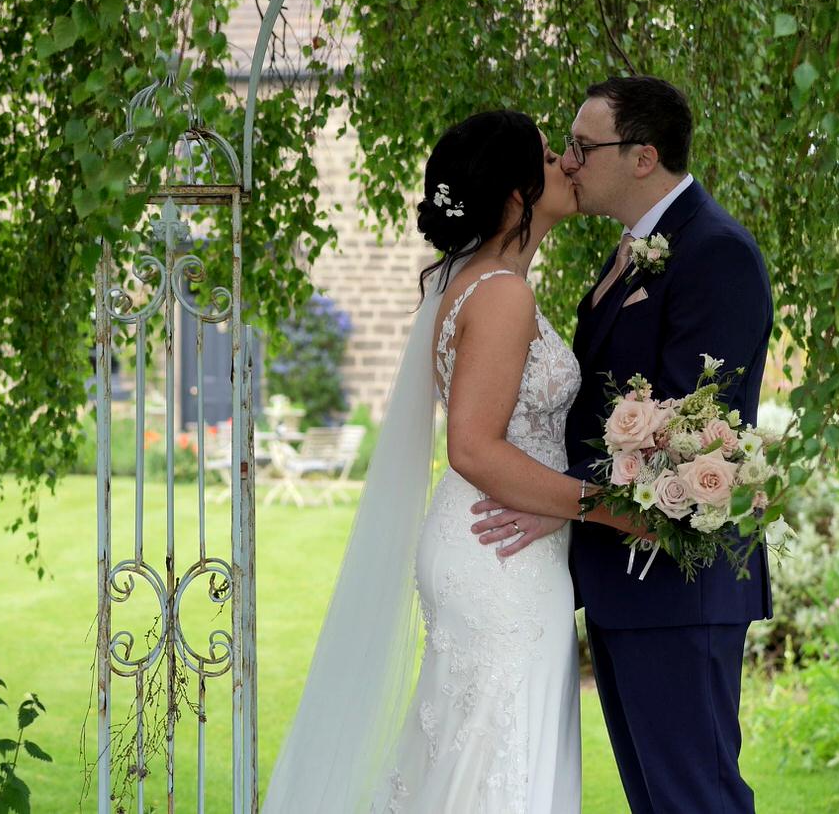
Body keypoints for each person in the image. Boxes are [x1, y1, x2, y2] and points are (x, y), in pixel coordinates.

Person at [262, 109, 647, 813]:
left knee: (472, 761)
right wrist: (602, 505)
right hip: (499, 557)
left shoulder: (469, 280)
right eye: (548, 154)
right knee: (498, 768)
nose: (566, 162)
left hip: (491, 541)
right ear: (514, 194)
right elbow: (471, 445)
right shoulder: (501, 293)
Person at [472, 76, 775, 813]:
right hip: (624, 583)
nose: (568, 161)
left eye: (582, 145)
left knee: (696, 798)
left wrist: (568, 501)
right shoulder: (634, 252)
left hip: (677, 581)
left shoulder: (716, 254)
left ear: (643, 156)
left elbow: (696, 434)